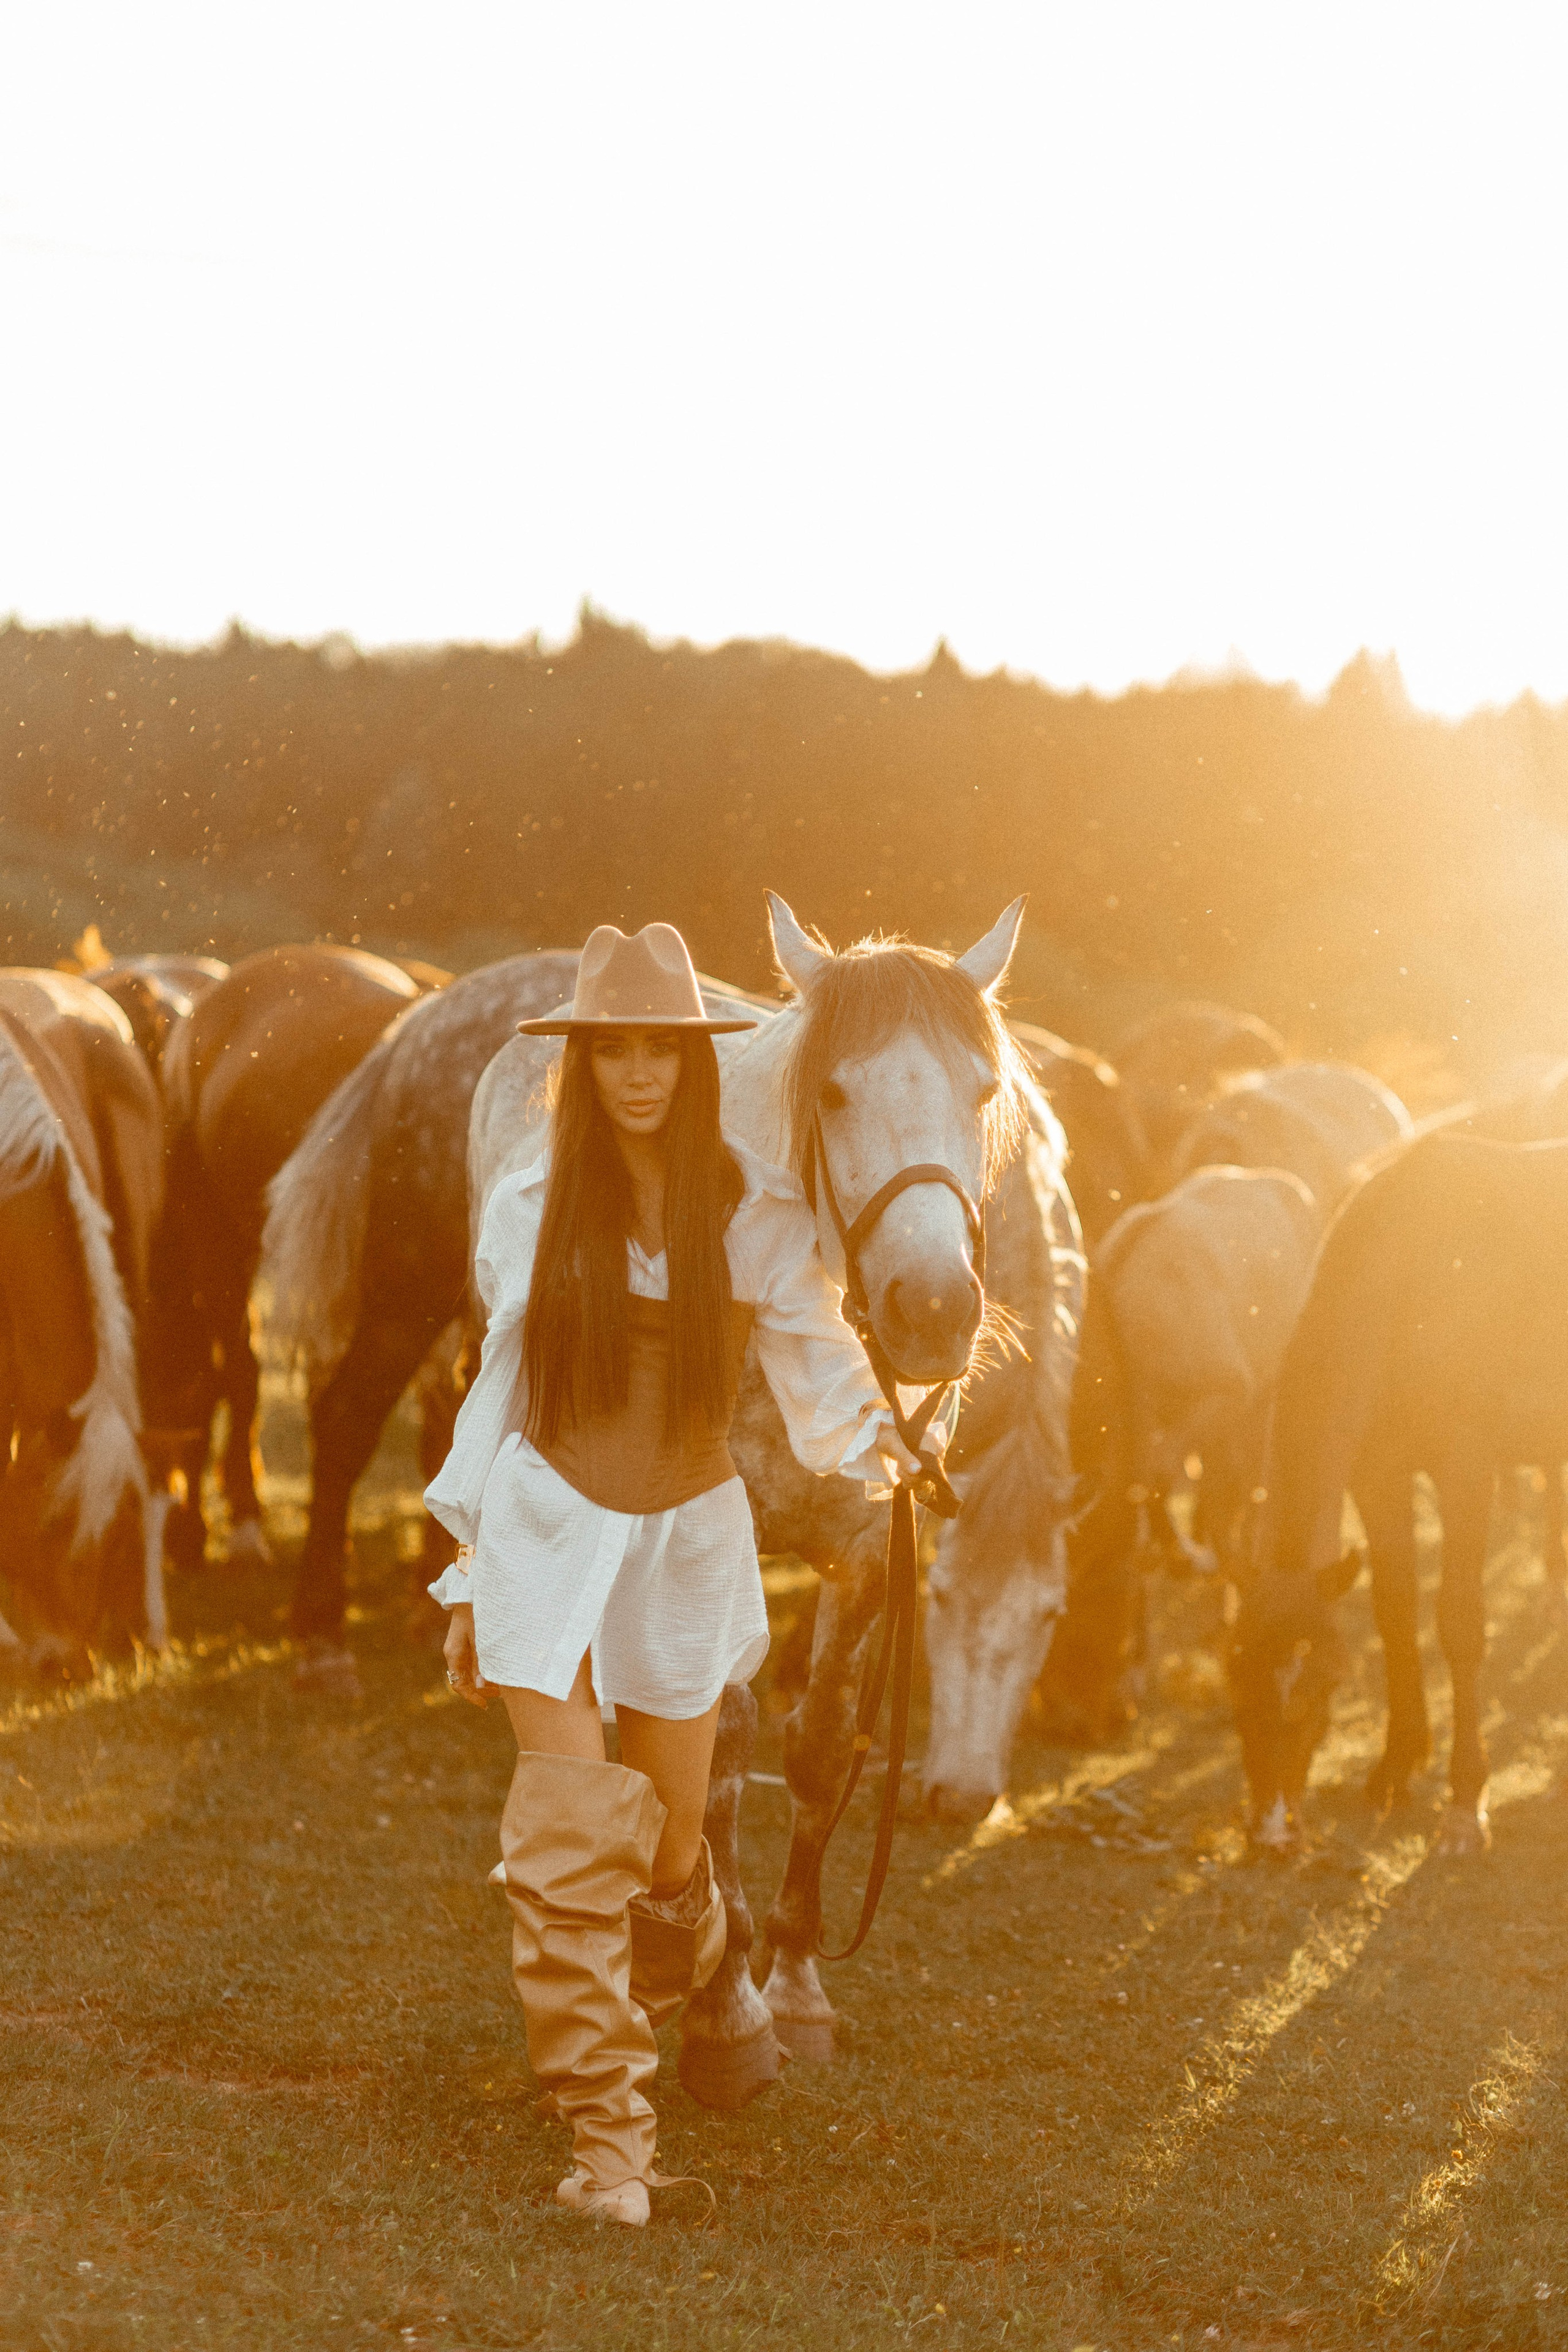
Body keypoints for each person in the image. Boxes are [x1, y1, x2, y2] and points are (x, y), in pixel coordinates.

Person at [425, 921, 941, 2228]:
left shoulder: (752, 1212)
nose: (640, 1074)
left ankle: (709, 1960)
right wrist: (472, 1571)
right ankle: (612, 2147)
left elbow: (821, 1366)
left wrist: (892, 1447)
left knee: (661, 1858)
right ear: (585, 1063)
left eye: (662, 1049)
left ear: (696, 1060)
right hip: (548, 1529)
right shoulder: (534, 1199)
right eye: (616, 1051)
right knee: (565, 1845)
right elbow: (500, 1383)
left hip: (687, 1545)